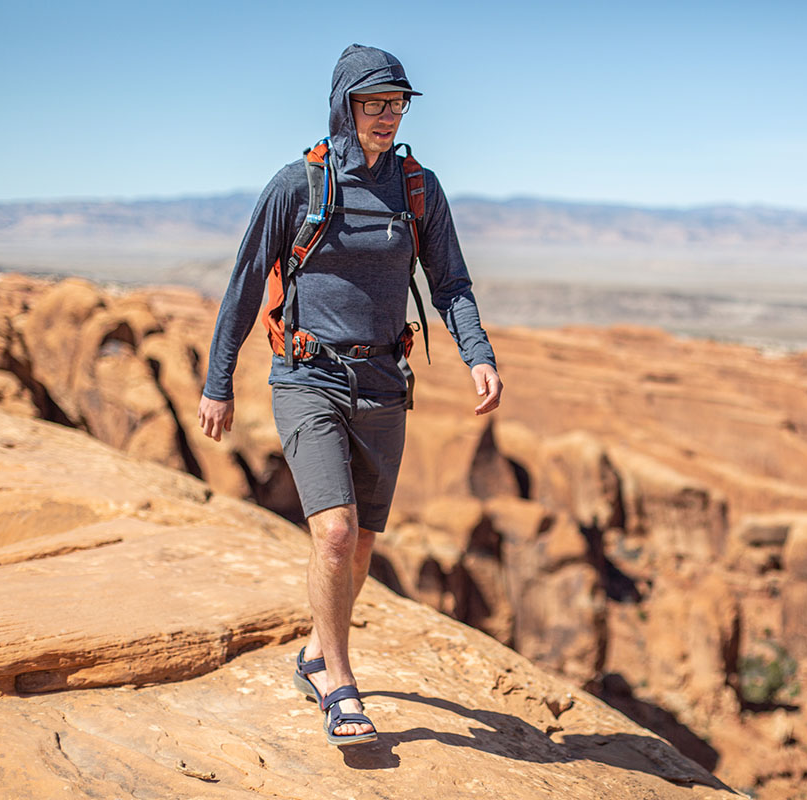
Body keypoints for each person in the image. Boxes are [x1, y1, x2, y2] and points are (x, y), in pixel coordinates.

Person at [197, 44, 502, 746]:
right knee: (332, 534)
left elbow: (450, 281)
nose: (387, 116)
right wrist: (218, 384)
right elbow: (245, 284)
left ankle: (313, 652)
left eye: (396, 103)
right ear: (345, 105)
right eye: (373, 103)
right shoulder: (298, 185)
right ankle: (341, 687)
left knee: (360, 544)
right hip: (309, 377)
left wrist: (476, 353)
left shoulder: (418, 188)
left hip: (384, 383)